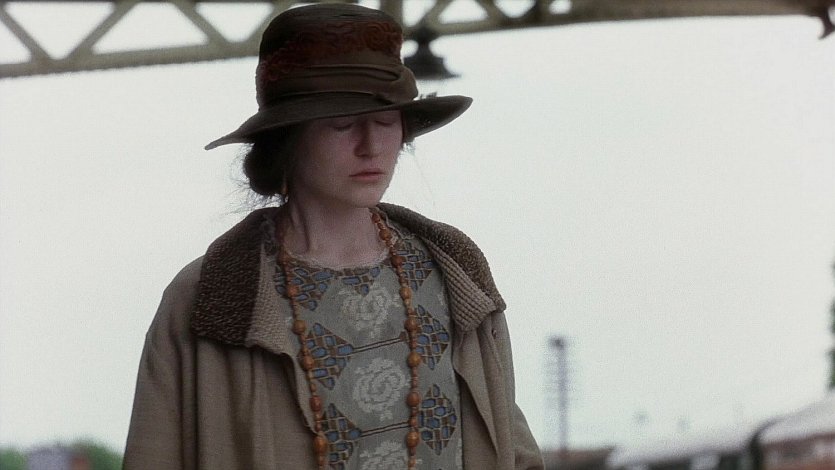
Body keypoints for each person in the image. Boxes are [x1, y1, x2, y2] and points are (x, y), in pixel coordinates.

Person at [123, 3, 543, 470]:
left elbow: (513, 446)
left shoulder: (454, 271)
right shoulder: (209, 299)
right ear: (287, 138)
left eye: (387, 121)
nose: (371, 145)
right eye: (343, 124)